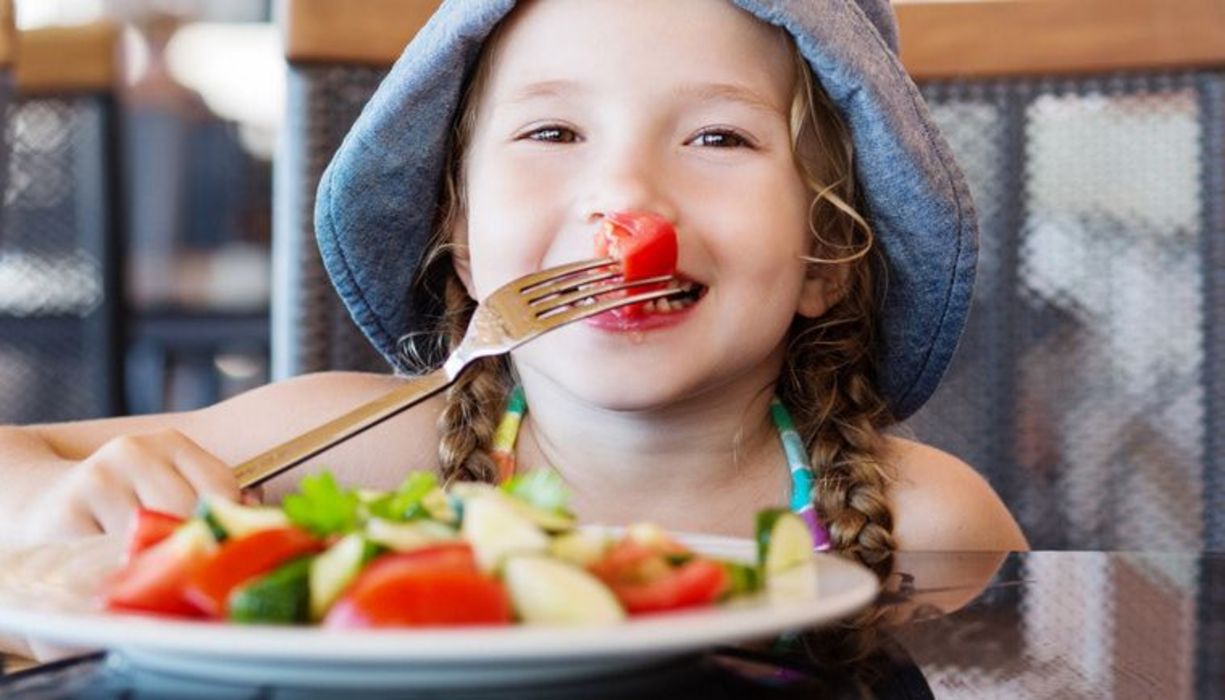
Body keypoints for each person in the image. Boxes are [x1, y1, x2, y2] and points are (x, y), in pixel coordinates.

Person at [0, 0, 1026, 556]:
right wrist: (59, 504)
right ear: (459, 233)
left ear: (825, 258)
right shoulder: (368, 457)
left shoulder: (923, 523)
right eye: (553, 131)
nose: (625, 197)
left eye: (719, 136)